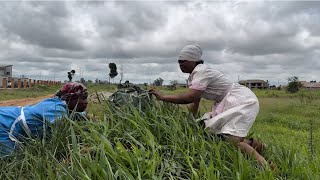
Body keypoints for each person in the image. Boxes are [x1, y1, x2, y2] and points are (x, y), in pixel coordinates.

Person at [149, 44, 274, 169]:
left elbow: (189, 97)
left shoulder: (202, 71)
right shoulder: (194, 76)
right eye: (179, 62)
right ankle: (259, 146)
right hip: (228, 101)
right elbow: (195, 101)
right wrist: (190, 121)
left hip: (240, 100)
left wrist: (162, 97)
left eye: (183, 61)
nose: (180, 65)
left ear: (194, 61)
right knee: (219, 136)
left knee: (234, 142)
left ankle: (267, 168)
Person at [0, 82, 88, 157]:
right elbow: (66, 132)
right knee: (11, 158)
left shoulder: (59, 103)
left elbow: (75, 115)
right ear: (71, 98)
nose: (86, 102)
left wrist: (86, 117)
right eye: (83, 98)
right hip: (5, 123)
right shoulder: (56, 108)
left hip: (10, 118)